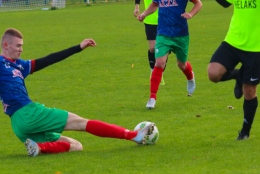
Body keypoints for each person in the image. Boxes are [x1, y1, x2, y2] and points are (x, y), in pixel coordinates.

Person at [0, 28, 155, 157]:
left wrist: (78, 48)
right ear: (6, 45)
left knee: (76, 145)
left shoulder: (18, 65)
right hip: (28, 113)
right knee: (82, 123)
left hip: (19, 125)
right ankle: (134, 135)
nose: (21, 49)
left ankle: (40, 148)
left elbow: (48, 60)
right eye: (18, 46)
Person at [195, 0, 260, 140]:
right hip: (233, 41)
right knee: (213, 74)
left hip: (256, 47)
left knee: (249, 92)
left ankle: (245, 133)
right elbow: (225, 1)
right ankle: (238, 76)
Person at [137, 0, 202, 109]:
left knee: (182, 64)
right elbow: (154, 4)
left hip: (180, 34)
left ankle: (190, 77)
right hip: (163, 33)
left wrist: (191, 14)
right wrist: (144, 14)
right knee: (159, 62)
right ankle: (152, 98)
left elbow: (198, 3)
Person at [134, 0, 166, 85]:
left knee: (164, 50)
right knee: (153, 48)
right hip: (149, 20)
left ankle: (160, 74)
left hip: (165, 20)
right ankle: (153, 70)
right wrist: (137, 7)